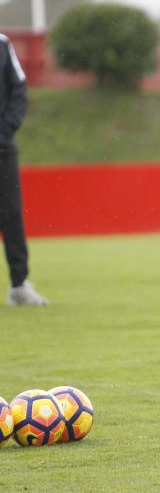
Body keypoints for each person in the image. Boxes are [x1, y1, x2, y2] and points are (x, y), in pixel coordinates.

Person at [0, 33, 47, 307]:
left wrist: (5, 130)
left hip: (3, 147)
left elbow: (19, 87)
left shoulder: (3, 44)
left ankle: (19, 285)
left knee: (11, 215)